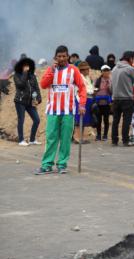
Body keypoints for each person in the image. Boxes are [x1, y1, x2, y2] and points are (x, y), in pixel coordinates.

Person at [34, 45, 86, 175]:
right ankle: (47, 165)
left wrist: (82, 104)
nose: (62, 58)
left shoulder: (74, 70)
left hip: (68, 111)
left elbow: (82, 88)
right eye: (59, 56)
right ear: (55, 58)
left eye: (64, 56)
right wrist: (52, 69)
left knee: (65, 138)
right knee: (51, 138)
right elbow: (43, 84)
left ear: (68, 57)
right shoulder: (51, 70)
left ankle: (62, 164)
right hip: (52, 111)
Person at [111, 51, 134, 146]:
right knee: (126, 120)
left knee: (115, 120)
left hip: (115, 98)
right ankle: (125, 140)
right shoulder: (130, 69)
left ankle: (114, 140)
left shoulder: (114, 69)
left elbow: (111, 86)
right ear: (130, 58)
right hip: (127, 98)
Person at [13, 57, 41, 146]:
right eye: (24, 65)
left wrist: (39, 99)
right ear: (20, 66)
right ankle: (21, 140)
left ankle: (32, 140)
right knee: (21, 120)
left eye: (28, 65)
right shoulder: (16, 75)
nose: (26, 67)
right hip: (20, 101)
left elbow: (37, 88)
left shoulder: (32, 75)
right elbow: (20, 85)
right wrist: (25, 73)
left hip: (30, 102)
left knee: (37, 120)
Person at [73, 61, 95, 144]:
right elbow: (81, 89)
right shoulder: (80, 77)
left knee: (84, 120)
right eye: (86, 69)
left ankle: (81, 137)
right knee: (79, 120)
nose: (88, 71)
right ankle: (77, 137)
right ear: (82, 70)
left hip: (88, 99)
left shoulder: (87, 78)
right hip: (81, 100)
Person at [94, 65, 112, 141]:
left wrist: (109, 87)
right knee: (98, 120)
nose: (106, 72)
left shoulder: (111, 81)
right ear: (101, 72)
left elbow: (112, 92)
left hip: (107, 104)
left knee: (106, 120)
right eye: (104, 71)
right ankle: (98, 135)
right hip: (99, 103)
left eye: (107, 70)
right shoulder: (97, 80)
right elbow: (94, 90)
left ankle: (105, 135)